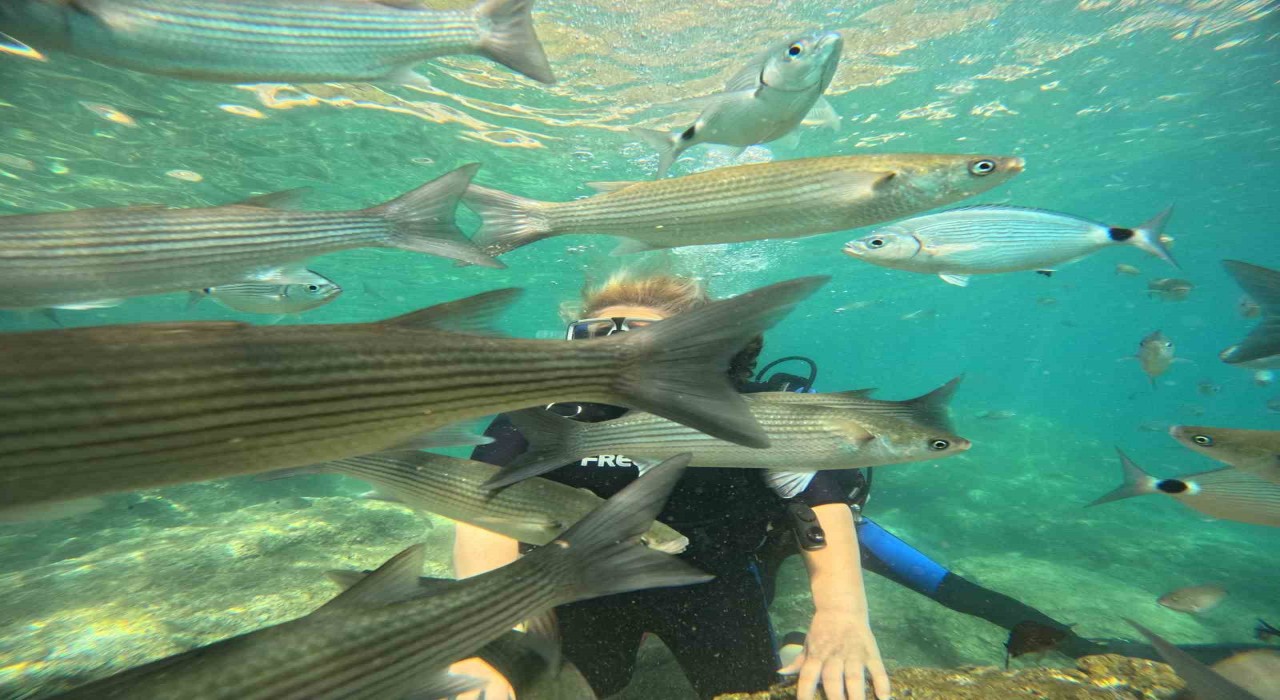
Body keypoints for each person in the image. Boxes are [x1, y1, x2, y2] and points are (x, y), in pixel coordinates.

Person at [450, 271, 891, 700]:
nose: (613, 354)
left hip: (714, 581)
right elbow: (482, 508)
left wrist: (841, 615)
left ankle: (791, 643)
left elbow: (821, 503)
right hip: (582, 584)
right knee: (564, 687)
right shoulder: (542, 413)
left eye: (644, 340)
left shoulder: (754, 411)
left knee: (749, 689)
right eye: (594, 336)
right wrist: (491, 637)